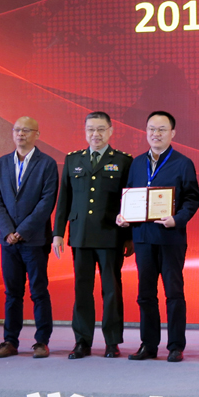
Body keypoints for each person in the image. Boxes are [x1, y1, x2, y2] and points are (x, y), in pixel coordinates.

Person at [116, 111, 199, 362]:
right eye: (152, 129)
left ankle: (175, 346)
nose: (156, 134)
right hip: (143, 238)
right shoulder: (136, 163)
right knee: (145, 294)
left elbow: (192, 199)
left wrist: (177, 219)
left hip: (170, 237)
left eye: (162, 129)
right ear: (146, 132)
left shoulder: (183, 163)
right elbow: (129, 196)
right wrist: (124, 217)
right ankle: (148, 344)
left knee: (173, 293)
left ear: (173, 133)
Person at [53, 111, 133, 359]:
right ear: (85, 131)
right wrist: (58, 233)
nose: (95, 134)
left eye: (100, 129)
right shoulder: (73, 159)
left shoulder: (123, 161)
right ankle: (82, 341)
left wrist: (129, 236)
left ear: (110, 131)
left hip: (111, 234)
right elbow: (64, 199)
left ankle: (112, 341)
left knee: (111, 290)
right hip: (81, 234)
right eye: (90, 129)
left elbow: (129, 200)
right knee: (82, 290)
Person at [0, 116, 59, 359]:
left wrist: (23, 231)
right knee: (12, 293)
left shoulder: (47, 164)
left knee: (39, 292)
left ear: (37, 134)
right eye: (17, 130)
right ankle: (10, 341)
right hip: (8, 241)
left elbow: (47, 201)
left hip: (35, 240)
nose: (21, 134)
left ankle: (42, 341)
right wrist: (8, 231)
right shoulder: (1, 163)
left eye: (26, 130)